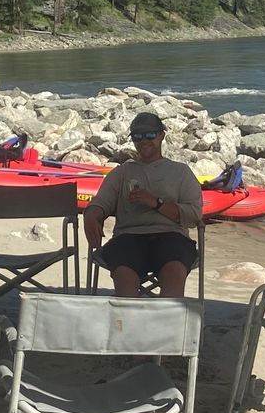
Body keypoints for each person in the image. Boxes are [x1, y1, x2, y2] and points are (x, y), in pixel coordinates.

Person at [84, 111, 203, 298]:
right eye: (138, 136)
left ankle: (167, 322)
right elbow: (101, 203)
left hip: (170, 235)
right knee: (124, 274)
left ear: (162, 135)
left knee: (174, 270)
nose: (144, 140)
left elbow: (194, 215)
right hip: (129, 236)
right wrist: (91, 214)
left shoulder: (180, 172)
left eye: (149, 135)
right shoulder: (122, 173)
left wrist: (155, 203)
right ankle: (128, 322)